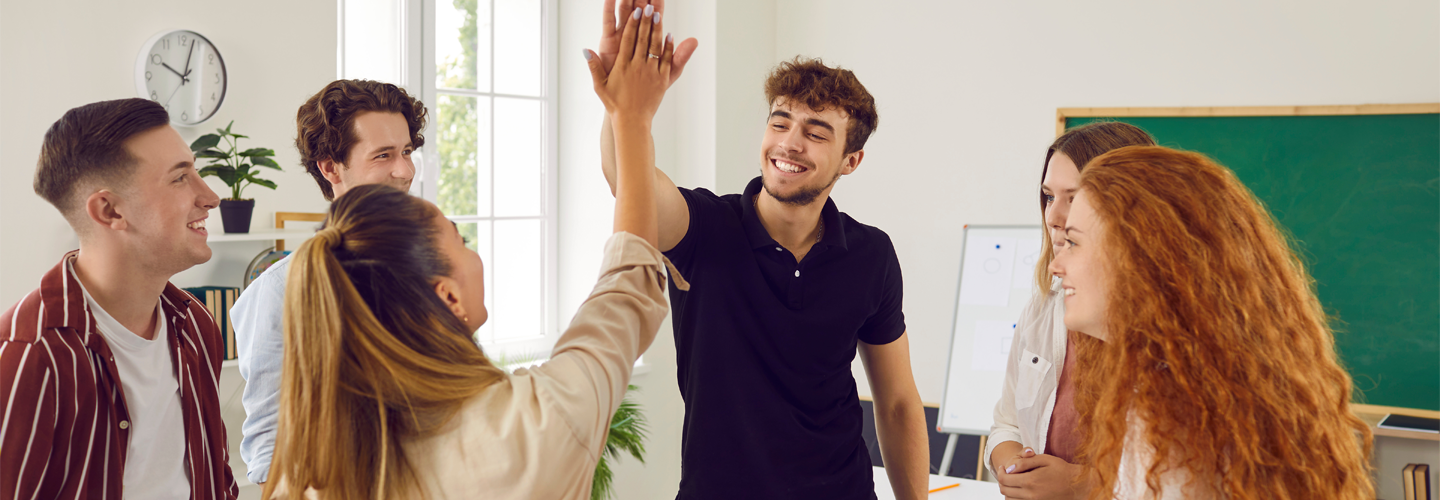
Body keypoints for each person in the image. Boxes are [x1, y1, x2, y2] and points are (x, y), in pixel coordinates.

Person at [261, 8, 682, 499]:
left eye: (406, 153)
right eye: (461, 242)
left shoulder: (304, 480)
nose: (404, 171)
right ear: (447, 298)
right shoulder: (531, 426)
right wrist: (631, 116)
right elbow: (627, 285)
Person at [591, 3, 928, 498]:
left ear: (851, 160)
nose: (790, 143)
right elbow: (627, 180)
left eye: (816, 133)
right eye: (780, 122)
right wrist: (625, 108)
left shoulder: (871, 253)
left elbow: (897, 403)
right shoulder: (701, 227)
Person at [1045, 146, 1373, 499]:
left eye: (1073, 243)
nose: (1056, 265)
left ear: (1139, 255)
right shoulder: (1202, 385)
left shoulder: (1172, 412)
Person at [0, 98, 237, 499]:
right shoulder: (29, 354)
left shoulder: (195, 323)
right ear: (109, 210)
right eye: (180, 178)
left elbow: (215, 475)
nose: (211, 197)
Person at [232, 79, 426, 485]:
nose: (405, 170)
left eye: (407, 151)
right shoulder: (280, 291)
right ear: (329, 166)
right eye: (383, 155)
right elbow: (270, 447)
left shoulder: (426, 271)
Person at [988, 122, 1156, 499]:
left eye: (1074, 197)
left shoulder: (1168, 335)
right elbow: (1007, 424)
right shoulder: (1044, 305)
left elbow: (1177, 473)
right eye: (1048, 197)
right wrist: (1018, 469)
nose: (1054, 216)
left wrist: (1079, 484)